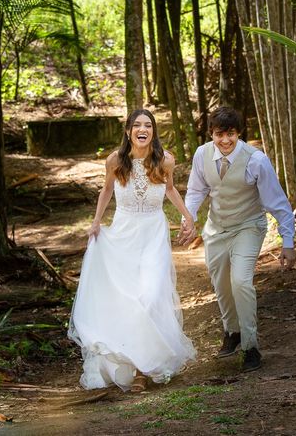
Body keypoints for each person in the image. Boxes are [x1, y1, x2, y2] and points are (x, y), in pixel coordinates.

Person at [68, 109, 197, 392]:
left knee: (150, 296)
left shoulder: (165, 160)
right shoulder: (115, 160)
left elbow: (171, 190)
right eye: (136, 125)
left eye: (147, 125)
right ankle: (135, 365)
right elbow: (106, 191)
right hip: (124, 233)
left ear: (153, 131)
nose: (142, 129)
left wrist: (188, 216)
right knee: (128, 300)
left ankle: (142, 369)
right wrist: (96, 222)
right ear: (128, 131)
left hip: (153, 233)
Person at [177, 106, 296, 373]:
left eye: (231, 134)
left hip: (248, 226)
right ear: (211, 134)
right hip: (216, 228)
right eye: (220, 134)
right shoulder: (202, 155)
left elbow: (278, 203)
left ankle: (251, 346)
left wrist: (287, 242)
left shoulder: (256, 160)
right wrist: (189, 218)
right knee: (220, 282)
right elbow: (197, 191)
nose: (226, 140)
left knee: (241, 281)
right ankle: (232, 332)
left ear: (239, 133)